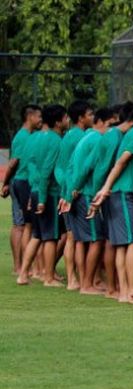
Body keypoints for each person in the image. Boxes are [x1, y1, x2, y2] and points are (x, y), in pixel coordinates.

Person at [92, 106, 133, 304]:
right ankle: (132, 292)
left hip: (117, 193)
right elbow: (124, 163)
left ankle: (125, 292)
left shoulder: (124, 134)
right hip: (123, 194)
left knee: (122, 245)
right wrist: (104, 189)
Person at [17, 104, 70, 286]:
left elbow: (30, 163)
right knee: (51, 236)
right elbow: (48, 170)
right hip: (49, 193)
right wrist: (41, 198)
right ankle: (48, 278)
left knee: (37, 235)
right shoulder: (56, 141)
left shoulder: (35, 138)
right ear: (57, 122)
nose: (67, 121)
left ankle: (23, 274)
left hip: (35, 189)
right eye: (65, 118)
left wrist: (34, 191)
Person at [66, 107, 116, 295]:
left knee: (81, 240)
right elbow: (88, 166)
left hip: (78, 193)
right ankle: (87, 285)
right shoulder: (97, 139)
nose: (113, 129)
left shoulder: (86, 136)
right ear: (102, 122)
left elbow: (71, 166)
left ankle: (87, 281)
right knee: (96, 240)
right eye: (111, 124)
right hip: (86, 194)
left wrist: (69, 192)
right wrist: (78, 189)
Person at [57, 100, 94, 290]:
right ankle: (75, 279)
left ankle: (75, 278)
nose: (93, 118)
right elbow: (76, 166)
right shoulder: (81, 136)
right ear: (81, 118)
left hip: (66, 188)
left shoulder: (69, 135)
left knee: (73, 237)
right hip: (73, 190)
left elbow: (62, 166)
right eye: (90, 114)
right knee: (75, 238)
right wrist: (71, 192)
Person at [1, 104, 42, 276]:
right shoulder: (23, 137)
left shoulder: (28, 135)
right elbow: (12, 163)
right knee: (21, 225)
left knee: (23, 224)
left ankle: (23, 266)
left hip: (21, 182)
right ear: (30, 116)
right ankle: (20, 267)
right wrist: (5, 183)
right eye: (38, 116)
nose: (40, 120)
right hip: (21, 182)